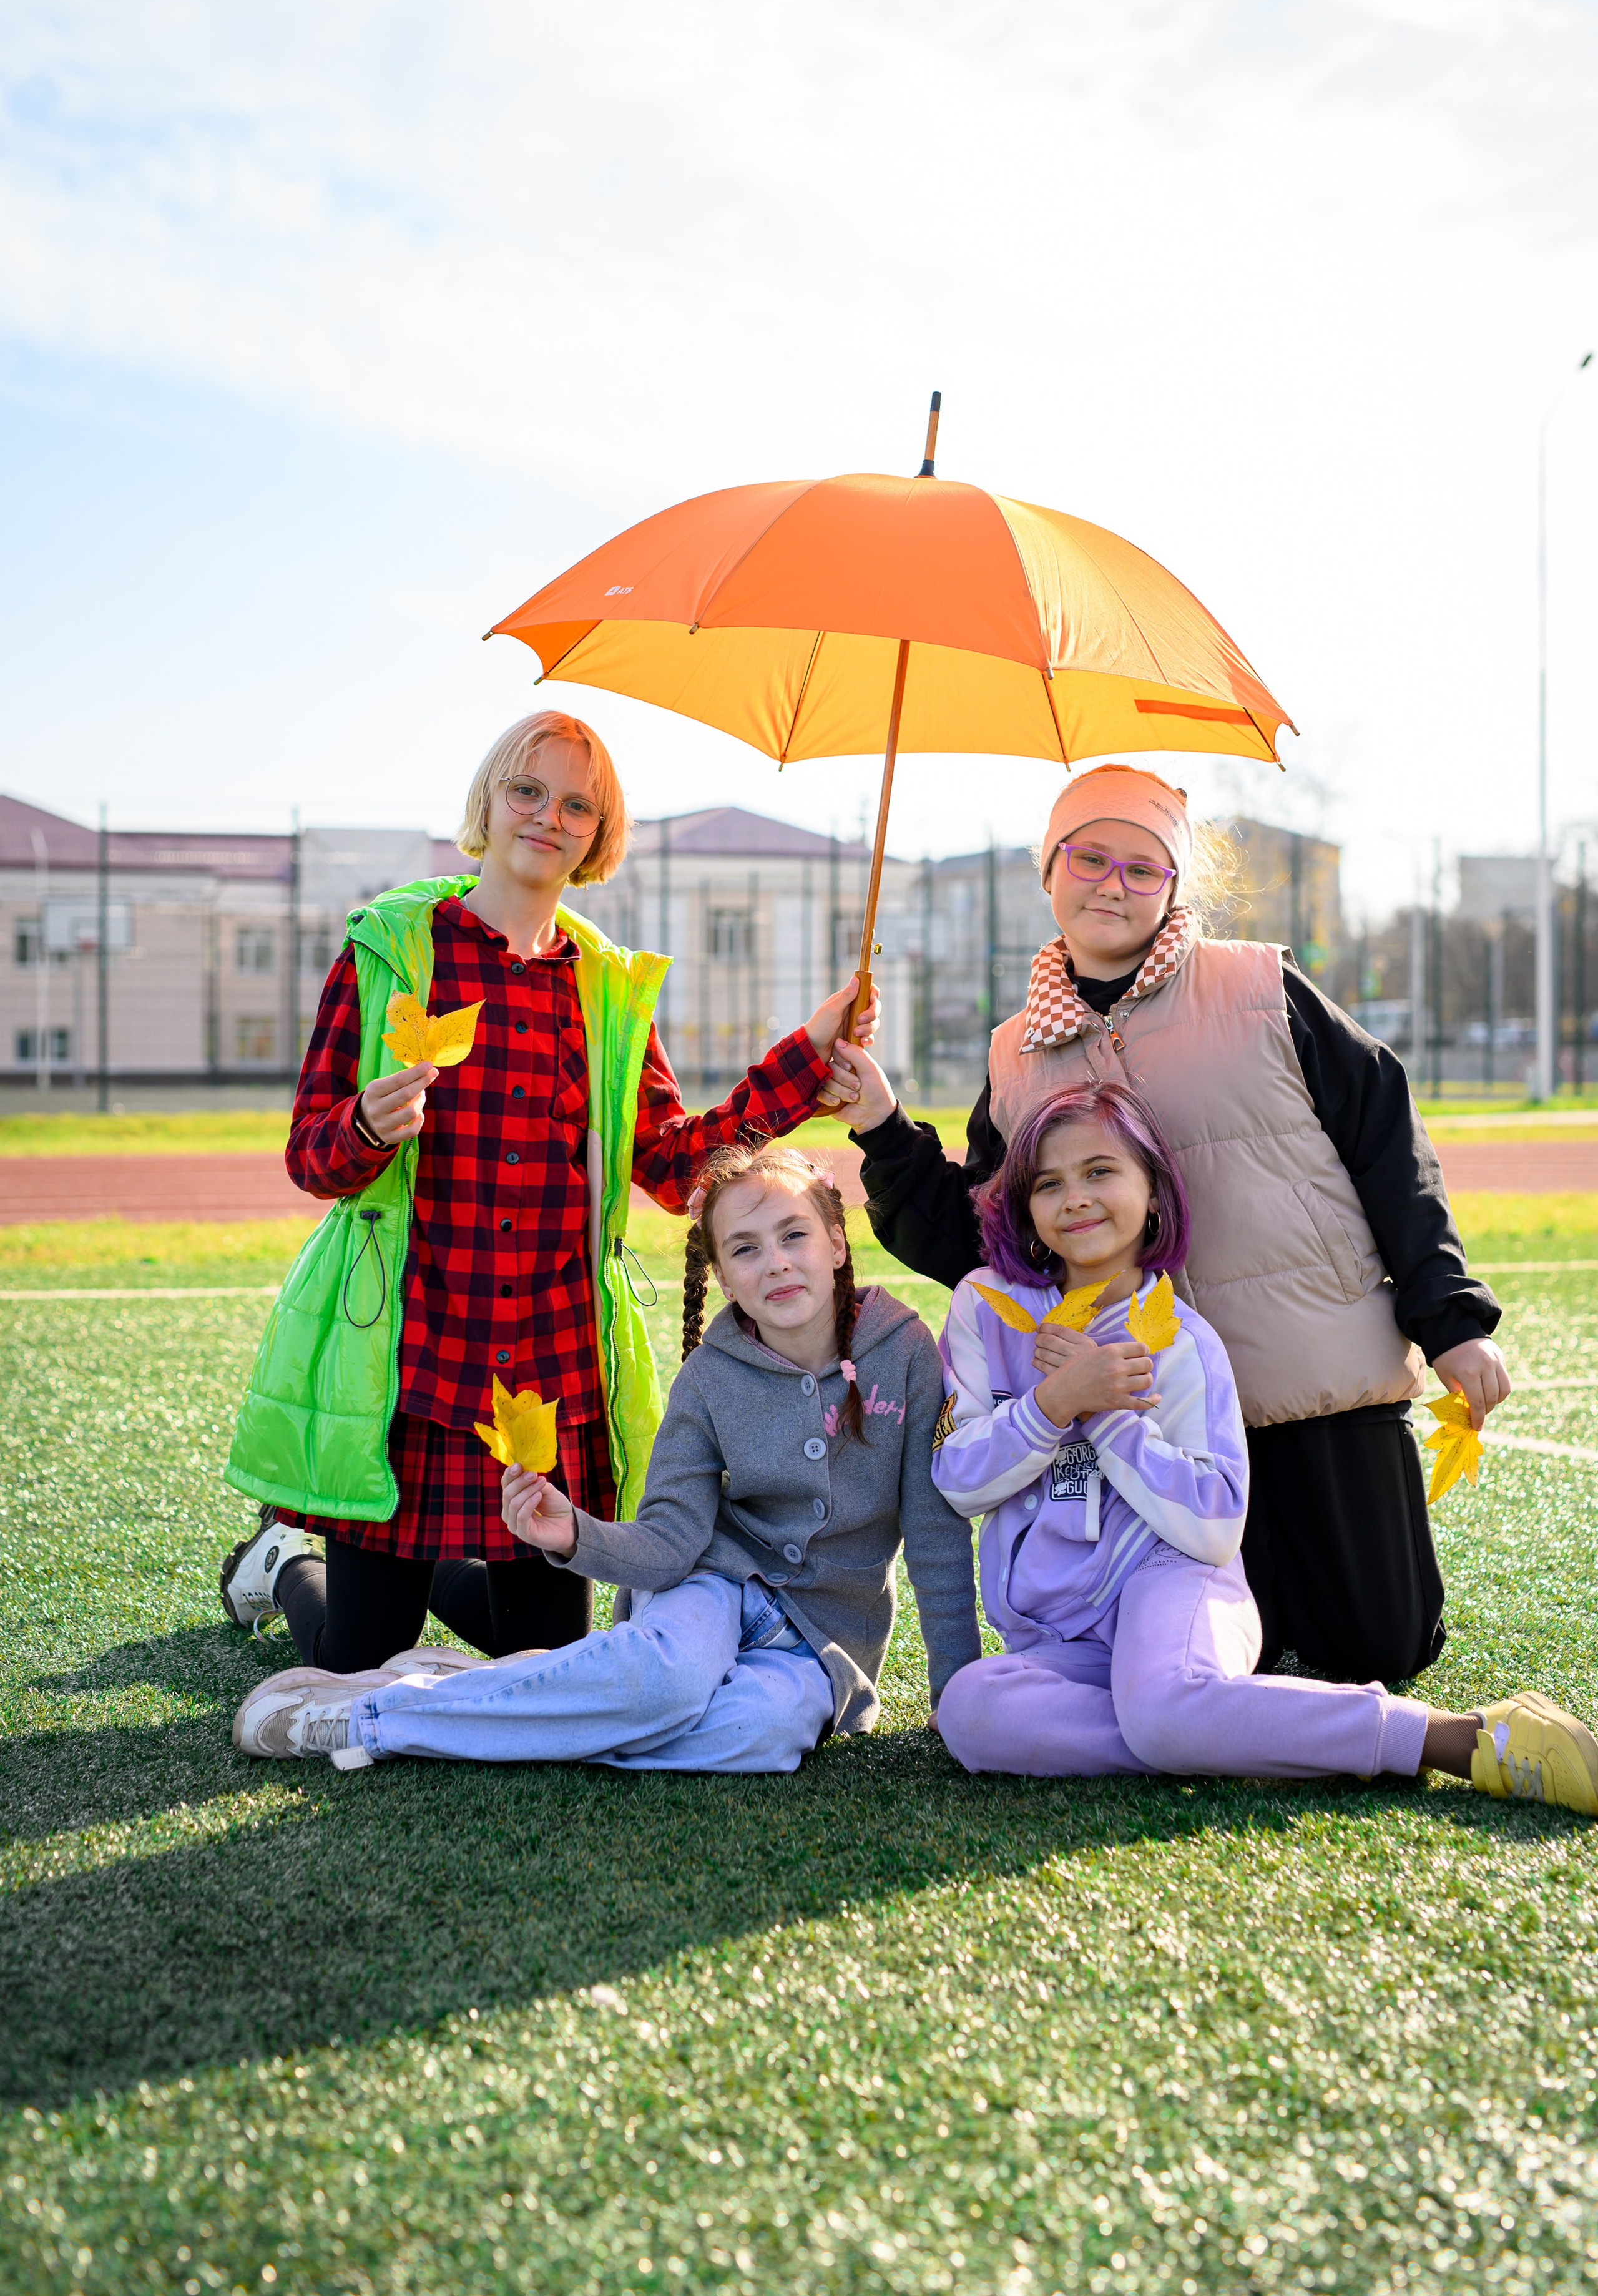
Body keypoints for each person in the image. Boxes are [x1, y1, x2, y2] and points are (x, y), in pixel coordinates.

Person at [217, 710, 880, 1675]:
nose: (547, 817)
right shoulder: (396, 949)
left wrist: (804, 1058)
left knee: (549, 1658)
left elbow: (672, 1167)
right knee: (358, 1660)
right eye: (528, 790)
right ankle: (281, 1564)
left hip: (544, 1360)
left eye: (578, 804)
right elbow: (311, 1159)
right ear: (489, 799)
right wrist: (365, 1123)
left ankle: (435, 1568)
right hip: (410, 1349)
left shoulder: (607, 988)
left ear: (599, 834)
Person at [826, 763, 1510, 1687]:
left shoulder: (1261, 987)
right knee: (1233, 1661)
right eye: (1090, 856)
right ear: (1048, 870)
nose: (1113, 882)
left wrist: (1451, 1319)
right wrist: (881, 1121)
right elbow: (986, 1242)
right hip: (1151, 1414)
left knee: (1377, 1650)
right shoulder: (1015, 1050)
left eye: (1143, 868)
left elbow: (1388, 1141)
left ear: (1175, 886)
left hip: (1309, 1382)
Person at [931, 1082, 1597, 1813]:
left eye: (1100, 1171)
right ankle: (1224, 1734)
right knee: (971, 1712)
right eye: (1048, 1183)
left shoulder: (1183, 1341)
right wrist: (1054, 1401)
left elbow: (1212, 1527)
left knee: (1163, 1705)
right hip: (1060, 1628)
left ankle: (1456, 1738)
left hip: (1172, 1584)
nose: (1075, 1198)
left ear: (1153, 1192)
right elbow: (959, 1480)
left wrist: (1106, 1412)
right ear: (1025, 1208)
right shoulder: (985, 1307)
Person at [230, 1147, 981, 1770]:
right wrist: (574, 1534)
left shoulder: (906, 1351)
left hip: (821, 1641)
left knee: (762, 1733)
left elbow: (938, 1534)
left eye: (794, 1235)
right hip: (709, 1585)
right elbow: (670, 1540)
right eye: (745, 1249)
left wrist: (955, 1689)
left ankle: (525, 1690)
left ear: (838, 1243)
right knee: (665, 1682)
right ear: (720, 1274)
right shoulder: (710, 1376)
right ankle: (374, 1717)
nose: (776, 1264)